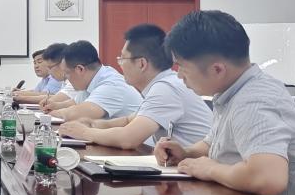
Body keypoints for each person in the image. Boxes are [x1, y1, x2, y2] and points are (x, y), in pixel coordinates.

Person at [156, 10, 295, 195]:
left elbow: (267, 179)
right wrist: (186, 153)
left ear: (217, 69)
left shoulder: (253, 100)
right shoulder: (232, 91)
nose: (179, 75)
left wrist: (210, 169)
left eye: (181, 67)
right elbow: (214, 144)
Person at [61, 24, 212, 150]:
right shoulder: (162, 83)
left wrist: (85, 132)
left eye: (122, 58)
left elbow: (127, 139)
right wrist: (94, 124)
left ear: (141, 64)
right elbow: (129, 120)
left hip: (196, 170)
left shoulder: (166, 88)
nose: (120, 64)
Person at [49, 40, 142, 121]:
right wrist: (55, 106)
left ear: (80, 69)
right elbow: (75, 103)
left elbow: (78, 113)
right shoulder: (91, 80)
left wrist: (49, 114)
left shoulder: (111, 85)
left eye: (67, 73)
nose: (65, 77)